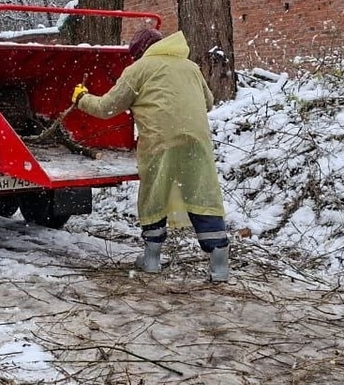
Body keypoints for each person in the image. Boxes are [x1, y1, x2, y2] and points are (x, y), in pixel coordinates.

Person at [71, 28, 229, 281]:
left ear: (140, 53)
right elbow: (208, 102)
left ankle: (152, 259)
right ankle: (219, 263)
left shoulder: (139, 70)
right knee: (202, 194)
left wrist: (82, 98)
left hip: (159, 141)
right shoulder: (190, 67)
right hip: (197, 142)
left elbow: (106, 108)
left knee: (155, 195)